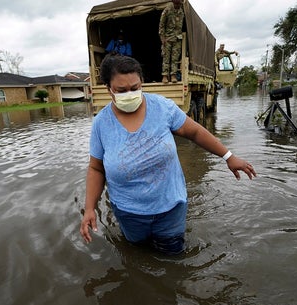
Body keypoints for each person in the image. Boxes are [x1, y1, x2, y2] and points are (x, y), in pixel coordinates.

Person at [80, 55, 256, 255]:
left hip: (170, 208)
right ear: (108, 89)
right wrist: (89, 208)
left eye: (135, 88)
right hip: (129, 213)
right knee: (137, 255)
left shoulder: (162, 107)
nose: (130, 94)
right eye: (121, 91)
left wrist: (229, 157)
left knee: (173, 256)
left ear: (142, 83)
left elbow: (195, 132)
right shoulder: (101, 124)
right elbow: (96, 168)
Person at [158, 0, 184, 84]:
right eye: (177, 3)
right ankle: (165, 75)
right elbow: (161, 25)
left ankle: (173, 75)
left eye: (180, 3)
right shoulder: (167, 10)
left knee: (175, 58)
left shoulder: (181, 12)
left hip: (177, 38)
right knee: (166, 57)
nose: (179, 5)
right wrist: (162, 38)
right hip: (167, 38)